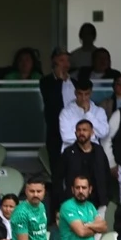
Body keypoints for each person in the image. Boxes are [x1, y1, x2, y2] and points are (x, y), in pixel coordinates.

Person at [56, 175, 108, 240]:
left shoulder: (90, 206)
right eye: (77, 187)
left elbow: (104, 227)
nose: (80, 191)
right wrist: (95, 228)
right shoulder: (68, 206)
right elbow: (81, 232)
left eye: (84, 188)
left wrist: (88, 225)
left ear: (90, 189)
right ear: (72, 189)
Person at [58, 120, 110, 215]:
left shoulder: (99, 151)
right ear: (75, 133)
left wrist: (106, 198)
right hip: (74, 203)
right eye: (79, 130)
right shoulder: (68, 153)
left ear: (92, 132)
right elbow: (59, 178)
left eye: (85, 130)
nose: (81, 133)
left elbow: (107, 175)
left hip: (98, 202)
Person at [40, 48, 76, 177]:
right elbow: (52, 102)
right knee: (58, 171)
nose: (65, 64)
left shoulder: (75, 83)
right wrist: (59, 80)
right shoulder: (46, 82)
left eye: (67, 60)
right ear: (54, 61)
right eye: (61, 60)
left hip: (75, 132)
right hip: (56, 133)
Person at [59, 77, 109, 151]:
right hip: (71, 153)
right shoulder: (66, 112)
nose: (83, 98)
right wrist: (92, 136)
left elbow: (103, 133)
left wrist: (88, 114)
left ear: (91, 93)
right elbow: (66, 137)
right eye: (80, 94)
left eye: (86, 94)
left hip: (93, 153)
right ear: (75, 93)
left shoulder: (99, 111)